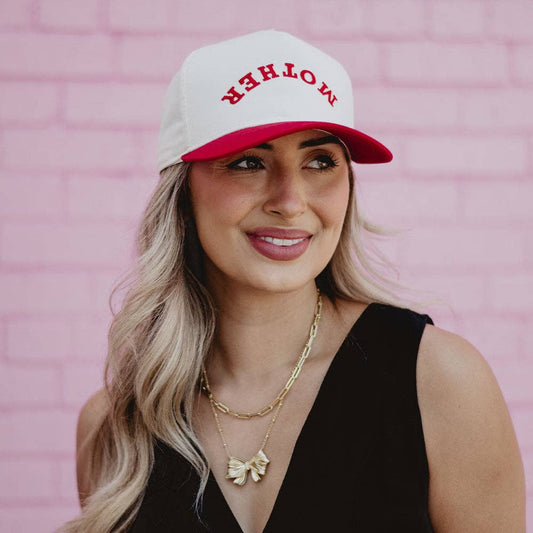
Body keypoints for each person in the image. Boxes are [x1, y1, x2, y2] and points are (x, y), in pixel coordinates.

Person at [63, 30, 525, 532]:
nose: (290, 200)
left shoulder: (437, 381)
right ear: (183, 187)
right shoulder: (115, 429)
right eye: (248, 162)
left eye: (320, 161)